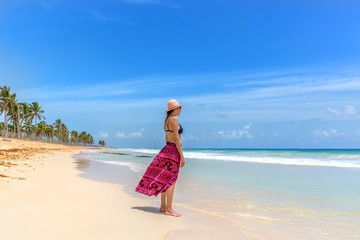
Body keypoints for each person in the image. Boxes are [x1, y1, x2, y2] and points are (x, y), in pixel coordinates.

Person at [135, 99, 185, 217]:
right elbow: (177, 139)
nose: (180, 110)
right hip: (173, 151)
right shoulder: (174, 119)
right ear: (175, 109)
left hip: (167, 149)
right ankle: (169, 209)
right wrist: (182, 156)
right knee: (171, 180)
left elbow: (167, 137)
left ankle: (163, 207)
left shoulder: (166, 120)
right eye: (179, 108)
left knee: (164, 178)